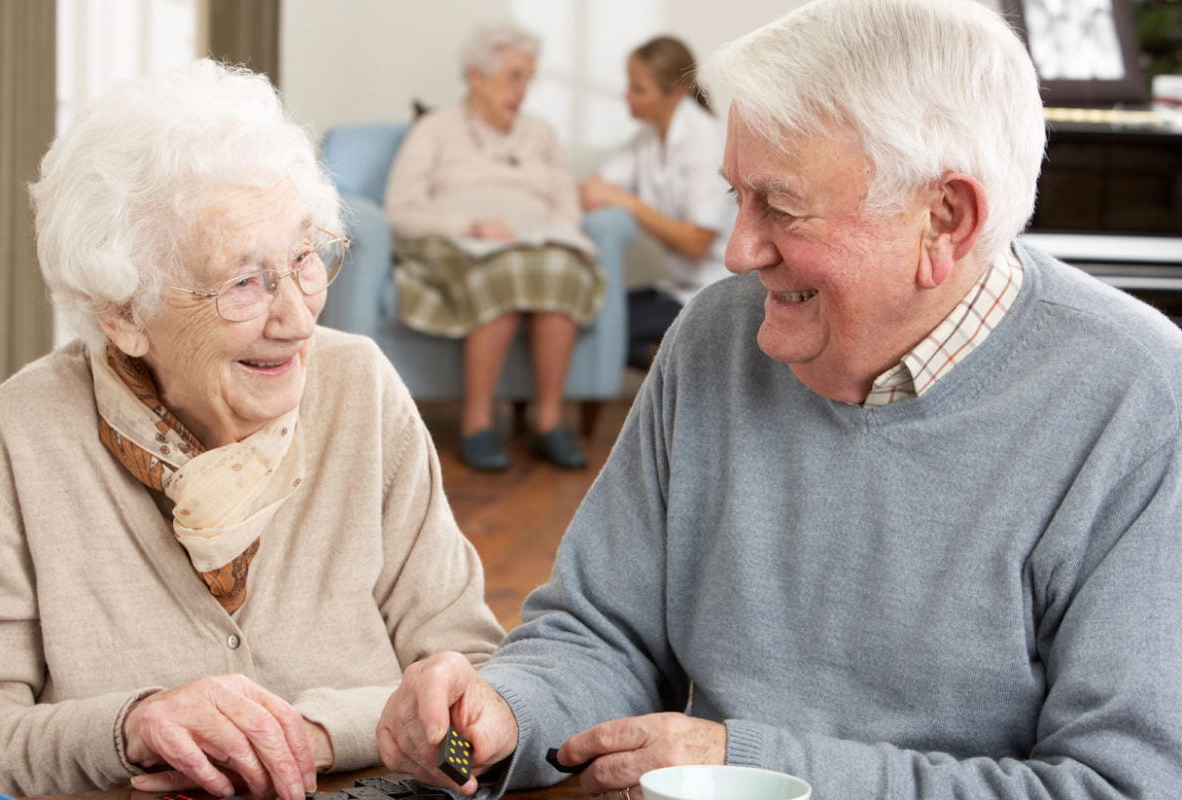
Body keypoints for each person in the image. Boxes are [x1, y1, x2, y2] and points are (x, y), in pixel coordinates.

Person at [375, 0, 1182, 798]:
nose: (736, 252)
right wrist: (507, 710)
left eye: (781, 208)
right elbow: (602, 631)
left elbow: (1120, 785)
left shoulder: (1143, 402)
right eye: (737, 197)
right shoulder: (718, 337)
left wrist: (756, 766)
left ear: (946, 218)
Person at [0, 60, 504, 799]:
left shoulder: (361, 391)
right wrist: (130, 728)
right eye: (242, 283)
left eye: (304, 258)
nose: (298, 318)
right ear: (121, 312)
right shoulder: (26, 436)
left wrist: (310, 738)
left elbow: (473, 683)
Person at [384, 22, 604, 472]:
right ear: (476, 77)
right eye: (513, 76)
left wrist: (557, 235)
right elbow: (401, 210)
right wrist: (470, 225)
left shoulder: (541, 134)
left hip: (536, 243)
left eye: (529, 77)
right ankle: (477, 424)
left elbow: (567, 207)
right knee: (501, 275)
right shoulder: (435, 128)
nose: (523, 90)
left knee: (561, 270)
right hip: (461, 243)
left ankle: (548, 423)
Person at [579, 36, 732, 370]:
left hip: (718, 289)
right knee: (587, 310)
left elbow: (696, 242)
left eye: (638, 88)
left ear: (674, 93)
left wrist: (627, 202)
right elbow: (595, 187)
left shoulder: (706, 141)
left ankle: (673, 370)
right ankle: (669, 368)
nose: (627, 95)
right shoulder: (648, 137)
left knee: (605, 327)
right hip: (679, 287)